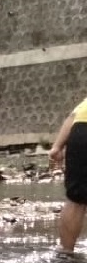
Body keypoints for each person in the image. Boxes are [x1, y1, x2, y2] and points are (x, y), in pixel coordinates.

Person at [49, 96, 87, 254]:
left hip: (82, 131)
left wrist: (57, 147)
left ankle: (66, 253)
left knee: (76, 199)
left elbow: (73, 116)